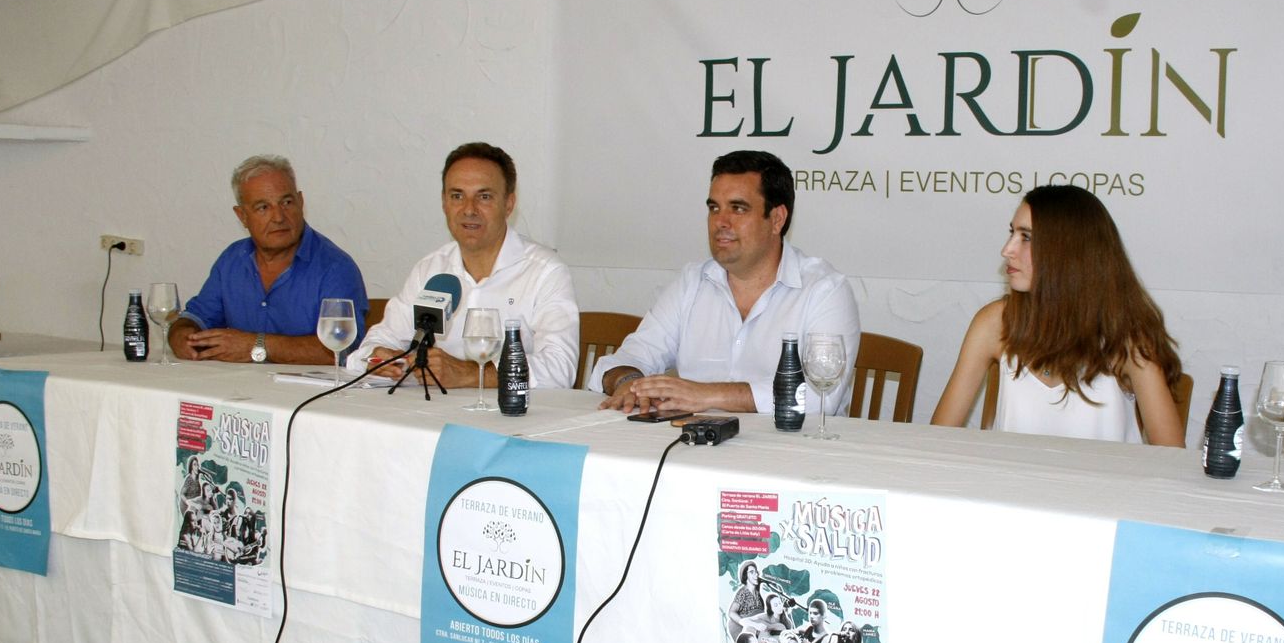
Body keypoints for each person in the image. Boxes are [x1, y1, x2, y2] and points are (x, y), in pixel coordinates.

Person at [589, 150, 860, 414]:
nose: (720, 221)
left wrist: (706, 394)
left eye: (738, 209)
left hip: (791, 452)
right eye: (714, 208)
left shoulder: (824, 290)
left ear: (776, 219)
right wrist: (629, 384)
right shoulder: (692, 283)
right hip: (693, 449)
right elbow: (627, 358)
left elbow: (819, 397)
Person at [931, 186, 1184, 445]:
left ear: (1068, 252)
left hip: (1105, 486)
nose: (1007, 249)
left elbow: (1171, 455)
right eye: (1012, 233)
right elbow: (938, 437)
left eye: (1026, 237)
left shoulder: (1127, 335)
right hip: (1010, 483)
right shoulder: (993, 323)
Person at [349, 143, 579, 388]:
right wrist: (377, 359)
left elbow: (559, 369)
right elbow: (369, 349)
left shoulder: (545, 272)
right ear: (444, 203)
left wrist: (470, 374)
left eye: (484, 197)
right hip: (432, 414)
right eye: (457, 196)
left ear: (509, 204)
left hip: (511, 420)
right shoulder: (431, 269)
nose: (469, 209)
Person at [171, 155, 368, 364]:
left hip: (309, 394)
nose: (279, 217)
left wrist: (256, 345)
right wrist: (181, 336)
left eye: (287, 202)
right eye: (263, 207)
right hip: (236, 389)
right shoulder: (232, 260)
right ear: (242, 216)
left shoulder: (335, 268)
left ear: (301, 203)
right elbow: (195, 318)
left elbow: (344, 350)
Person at [725, 561, 765, 641]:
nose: (756, 574)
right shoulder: (743, 592)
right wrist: (748, 623)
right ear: (745, 575)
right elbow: (731, 612)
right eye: (751, 572)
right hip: (745, 632)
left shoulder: (758, 594)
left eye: (756, 572)